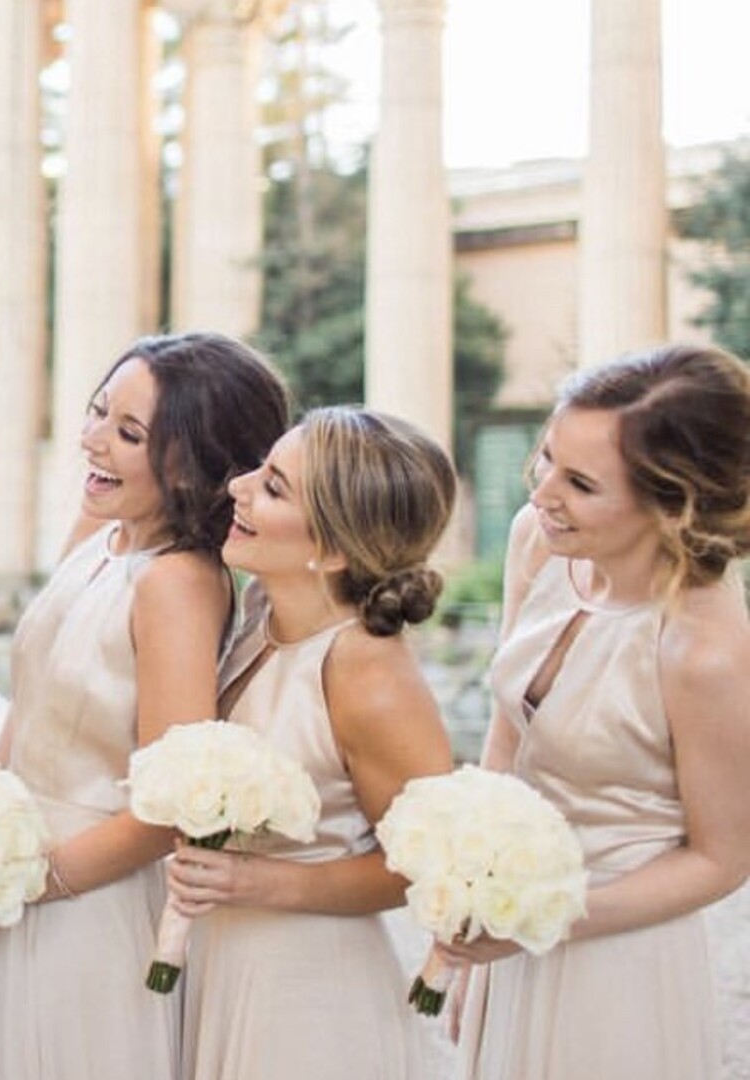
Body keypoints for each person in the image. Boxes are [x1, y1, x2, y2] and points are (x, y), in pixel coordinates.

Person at [0, 333, 290, 1079]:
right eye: (99, 411)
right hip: (11, 880)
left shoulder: (177, 584)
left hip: (86, 907)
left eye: (129, 433)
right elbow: (31, 704)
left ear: (193, 465)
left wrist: (28, 883)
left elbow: (167, 810)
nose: (92, 440)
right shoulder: (99, 535)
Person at [447, 344, 750, 1080]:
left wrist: (545, 916)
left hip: (617, 956)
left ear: (672, 506)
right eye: (548, 458)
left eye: (580, 483)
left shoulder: (703, 649)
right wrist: (473, 893)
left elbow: (722, 859)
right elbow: (507, 736)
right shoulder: (538, 543)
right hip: (509, 932)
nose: (544, 493)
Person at [168, 407, 455, 1080]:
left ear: (332, 551)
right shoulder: (262, 611)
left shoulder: (369, 673)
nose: (237, 487)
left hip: (307, 994)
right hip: (221, 961)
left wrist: (257, 879)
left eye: (272, 487)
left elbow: (422, 865)